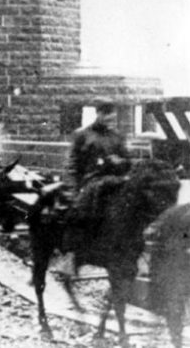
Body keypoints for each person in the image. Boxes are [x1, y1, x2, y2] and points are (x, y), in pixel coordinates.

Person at [59, 97, 131, 278]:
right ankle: (70, 257)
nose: (109, 118)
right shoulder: (83, 135)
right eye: (105, 113)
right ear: (98, 113)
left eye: (111, 114)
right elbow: (72, 165)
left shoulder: (117, 137)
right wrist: (74, 190)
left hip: (115, 183)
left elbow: (128, 163)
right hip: (91, 183)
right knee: (78, 214)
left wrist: (120, 161)